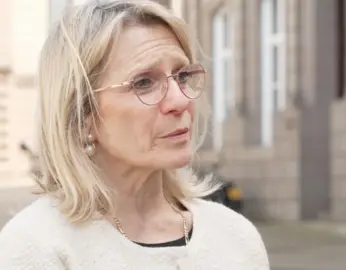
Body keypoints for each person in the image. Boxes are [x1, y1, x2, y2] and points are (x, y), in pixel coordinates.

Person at [0, 1, 269, 269]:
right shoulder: (35, 248)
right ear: (82, 117)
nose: (180, 100)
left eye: (182, 75)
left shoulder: (235, 237)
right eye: (144, 83)